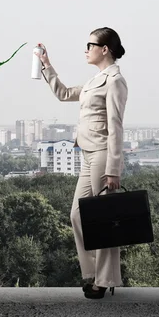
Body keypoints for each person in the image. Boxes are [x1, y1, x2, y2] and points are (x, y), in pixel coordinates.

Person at [35, 27, 128, 299]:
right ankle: (93, 274)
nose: (86, 50)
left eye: (90, 44)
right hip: (87, 155)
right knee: (78, 215)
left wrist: (114, 169)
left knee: (103, 219)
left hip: (102, 154)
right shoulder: (95, 81)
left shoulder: (115, 81)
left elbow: (116, 127)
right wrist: (47, 66)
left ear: (105, 49)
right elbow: (64, 94)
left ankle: (104, 280)